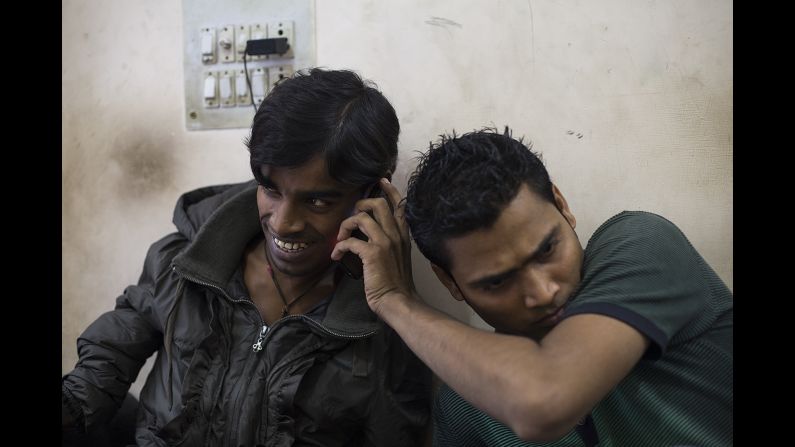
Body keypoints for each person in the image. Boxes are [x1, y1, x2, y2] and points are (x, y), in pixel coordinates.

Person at [62, 68, 431, 446]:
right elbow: (104, 363)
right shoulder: (186, 258)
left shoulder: (391, 327)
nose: (284, 223)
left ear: (372, 197)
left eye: (318, 200)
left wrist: (394, 306)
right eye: (271, 189)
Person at [331, 127, 732, 446]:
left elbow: (542, 399)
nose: (543, 292)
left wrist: (395, 300)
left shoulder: (642, 245)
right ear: (449, 281)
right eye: (498, 281)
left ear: (561, 204)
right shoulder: (467, 407)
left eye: (546, 250)